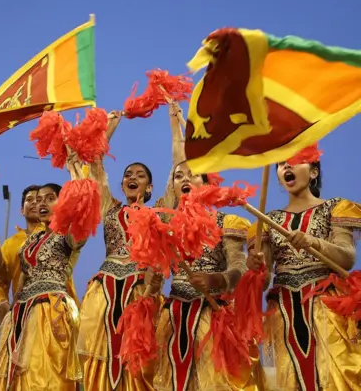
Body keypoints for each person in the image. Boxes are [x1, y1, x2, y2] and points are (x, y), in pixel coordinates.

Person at [247, 157, 361, 390]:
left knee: (334, 377)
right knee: (292, 379)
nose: (286, 167)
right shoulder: (268, 221)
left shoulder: (335, 207)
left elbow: (347, 258)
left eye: (296, 161)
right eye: (280, 164)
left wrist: (315, 243)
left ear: (313, 173)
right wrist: (255, 267)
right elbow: (265, 276)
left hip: (326, 306)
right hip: (284, 309)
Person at [152, 162, 265, 391]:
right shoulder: (167, 228)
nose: (184, 179)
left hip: (212, 317)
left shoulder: (225, 223)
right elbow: (156, 274)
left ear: (206, 184)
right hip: (174, 318)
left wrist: (215, 279)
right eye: (178, 176)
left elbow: (239, 267)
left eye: (193, 175)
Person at [79, 110, 164, 391]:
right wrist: (110, 126)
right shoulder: (110, 208)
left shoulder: (160, 212)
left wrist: (176, 122)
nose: (132, 177)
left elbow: (181, 166)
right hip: (105, 289)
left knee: (138, 362)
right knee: (100, 355)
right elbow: (94, 163)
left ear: (149, 187)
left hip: (141, 290)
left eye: (140, 175)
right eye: (128, 174)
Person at [0, 177, 86, 390]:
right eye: (39, 200)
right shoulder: (32, 239)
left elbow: (80, 229)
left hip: (51, 310)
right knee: (19, 375)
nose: (41, 204)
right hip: (23, 311)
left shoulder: (67, 234)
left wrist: (77, 174)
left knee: (46, 372)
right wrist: (13, 308)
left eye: (50, 199)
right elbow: (23, 273)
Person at [0, 186, 81, 325]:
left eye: (48, 199)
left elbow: (78, 233)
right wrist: (3, 303)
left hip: (55, 307)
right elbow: (0, 277)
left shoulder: (62, 233)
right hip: (23, 308)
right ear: (21, 210)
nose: (36, 203)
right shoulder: (14, 244)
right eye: (31, 200)